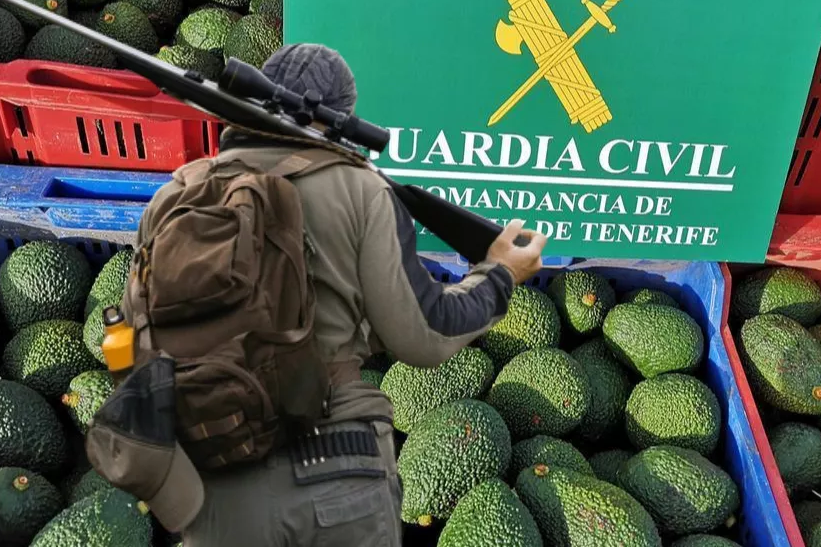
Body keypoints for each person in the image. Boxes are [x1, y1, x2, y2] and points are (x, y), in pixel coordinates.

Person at [168, 44, 547, 546]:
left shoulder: (181, 189)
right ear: (341, 117)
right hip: (331, 448)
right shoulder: (360, 191)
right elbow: (423, 337)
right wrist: (500, 275)